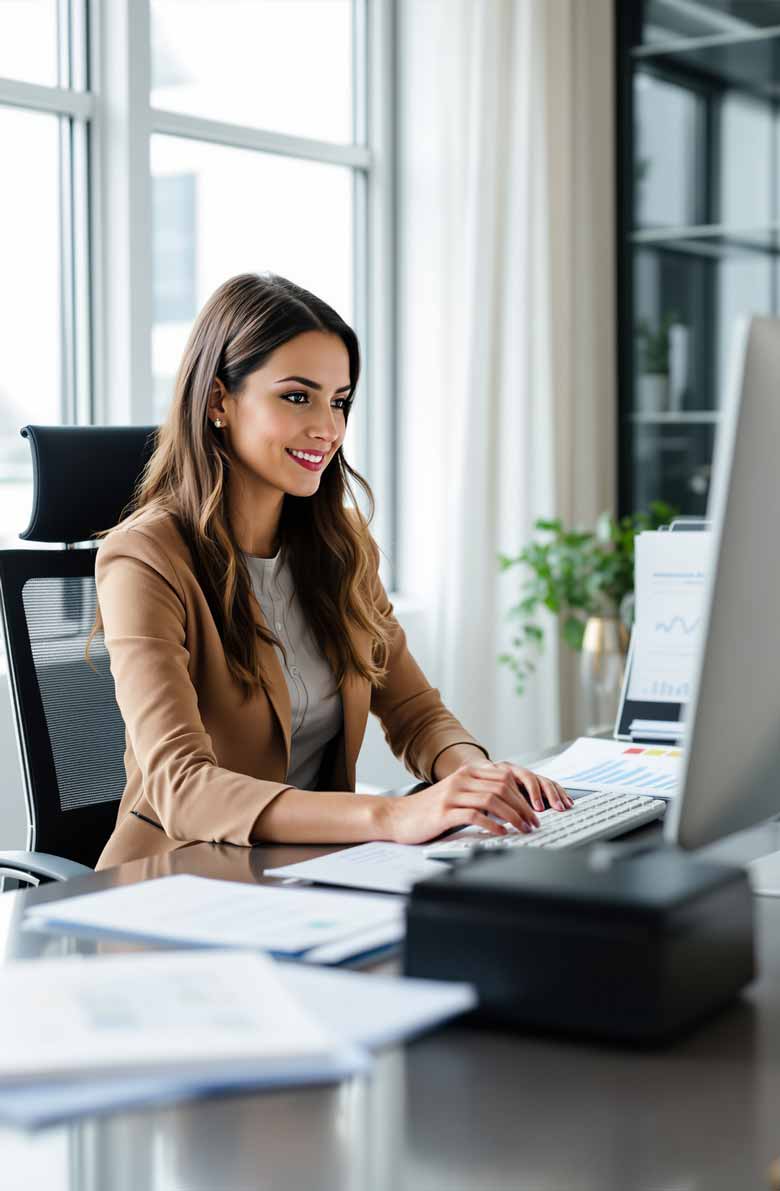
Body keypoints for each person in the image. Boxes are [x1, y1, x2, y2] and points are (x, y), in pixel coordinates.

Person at [92, 273, 571, 868]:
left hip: (313, 872)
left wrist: (478, 781)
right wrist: (392, 817)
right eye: (298, 397)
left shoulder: (340, 545)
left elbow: (413, 710)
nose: (328, 428)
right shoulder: (146, 557)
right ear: (218, 400)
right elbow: (182, 787)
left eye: (339, 400)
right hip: (179, 880)